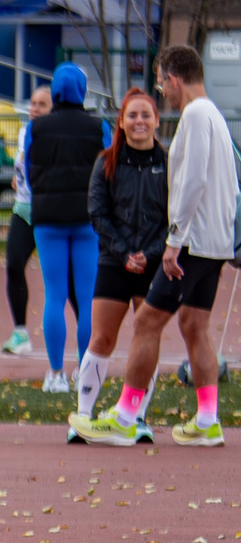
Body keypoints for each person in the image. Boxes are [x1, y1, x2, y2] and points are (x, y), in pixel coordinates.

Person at [74, 44, 235, 449]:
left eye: (162, 83)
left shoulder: (195, 116)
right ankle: (208, 418)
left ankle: (126, 416)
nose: (163, 91)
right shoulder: (215, 114)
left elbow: (192, 182)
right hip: (213, 244)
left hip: (192, 245)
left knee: (146, 322)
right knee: (193, 325)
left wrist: (174, 241)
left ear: (174, 78)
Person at [69, 88, 167, 439]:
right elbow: (98, 212)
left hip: (153, 266)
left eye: (146, 115)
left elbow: (176, 217)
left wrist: (149, 253)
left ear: (156, 120)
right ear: (121, 122)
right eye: (132, 115)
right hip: (114, 261)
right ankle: (82, 417)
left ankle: (136, 417)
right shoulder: (106, 161)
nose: (139, 121)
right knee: (103, 338)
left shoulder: (169, 163)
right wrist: (124, 251)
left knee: (147, 338)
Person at [27, 62, 107, 392]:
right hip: (88, 219)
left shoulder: (37, 127)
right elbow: (109, 169)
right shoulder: (98, 126)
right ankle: (85, 373)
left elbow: (29, 167)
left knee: (55, 295)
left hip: (48, 217)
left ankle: (56, 374)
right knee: (87, 298)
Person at [0, 83, 54, 356]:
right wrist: (17, 178)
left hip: (50, 212)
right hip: (24, 209)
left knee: (61, 278)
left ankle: (87, 335)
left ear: (54, 109)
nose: (34, 109)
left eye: (41, 104)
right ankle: (20, 332)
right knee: (13, 265)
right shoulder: (25, 131)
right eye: (33, 103)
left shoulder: (57, 135)